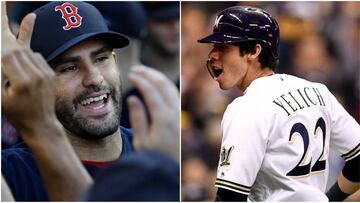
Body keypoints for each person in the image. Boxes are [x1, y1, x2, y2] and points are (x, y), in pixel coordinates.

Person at [2, 1, 179, 201]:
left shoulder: (155, 151)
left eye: (100, 59)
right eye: (69, 68)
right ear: (36, 82)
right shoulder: (11, 172)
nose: (94, 78)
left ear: (115, 60)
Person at [197, 6, 360, 201]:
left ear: (254, 51)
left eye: (223, 47)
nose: (213, 54)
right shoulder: (318, 92)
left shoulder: (247, 107)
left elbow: (230, 196)